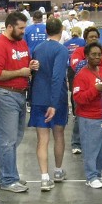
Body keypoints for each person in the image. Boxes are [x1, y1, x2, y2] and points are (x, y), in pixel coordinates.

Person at [0, 12, 38, 193]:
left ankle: (8, 175)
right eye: (21, 28)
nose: (24, 32)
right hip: (4, 95)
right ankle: (8, 179)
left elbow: (23, 64)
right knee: (7, 140)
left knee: (15, 138)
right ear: (9, 27)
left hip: (20, 95)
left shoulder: (21, 43)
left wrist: (31, 65)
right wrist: (21, 72)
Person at [29, 18, 69, 191]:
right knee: (58, 134)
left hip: (38, 97)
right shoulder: (61, 50)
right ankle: (58, 171)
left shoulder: (37, 49)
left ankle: (44, 177)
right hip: (56, 99)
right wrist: (54, 102)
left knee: (42, 138)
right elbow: (57, 77)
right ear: (61, 30)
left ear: (46, 31)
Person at [72, 43, 102, 188]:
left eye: (99, 54)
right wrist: (95, 90)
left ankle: (99, 172)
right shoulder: (81, 75)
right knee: (90, 148)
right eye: (94, 54)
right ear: (86, 56)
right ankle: (90, 176)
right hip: (89, 118)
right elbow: (78, 98)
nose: (97, 57)